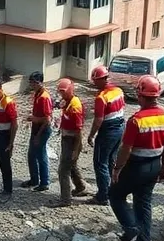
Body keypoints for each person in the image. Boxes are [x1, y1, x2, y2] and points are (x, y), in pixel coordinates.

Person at [109, 76, 164, 241]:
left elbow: (126, 148)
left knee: (115, 195)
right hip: (154, 165)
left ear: (140, 95)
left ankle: (130, 227)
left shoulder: (136, 120)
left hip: (135, 167)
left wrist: (117, 169)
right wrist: (163, 167)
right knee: (143, 203)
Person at [86, 65, 126, 206]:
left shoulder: (101, 97)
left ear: (101, 79)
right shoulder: (118, 91)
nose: (94, 83)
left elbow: (98, 119)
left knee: (100, 162)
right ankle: (112, 190)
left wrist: (91, 135)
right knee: (110, 160)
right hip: (120, 127)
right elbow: (122, 108)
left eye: (95, 80)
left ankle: (103, 196)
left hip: (108, 130)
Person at [54, 77, 88, 206]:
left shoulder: (75, 106)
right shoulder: (68, 102)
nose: (61, 94)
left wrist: (76, 150)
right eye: (60, 92)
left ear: (69, 90)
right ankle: (80, 187)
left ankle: (65, 199)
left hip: (72, 140)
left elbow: (79, 131)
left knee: (63, 170)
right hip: (67, 137)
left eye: (63, 92)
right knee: (71, 165)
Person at [21, 71, 53, 191]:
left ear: (41, 82)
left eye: (35, 83)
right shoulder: (38, 94)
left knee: (41, 155)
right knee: (32, 155)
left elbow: (47, 119)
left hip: (42, 130)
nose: (32, 85)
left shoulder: (44, 97)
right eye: (31, 82)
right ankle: (34, 179)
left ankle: (44, 182)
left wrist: (38, 135)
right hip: (36, 128)